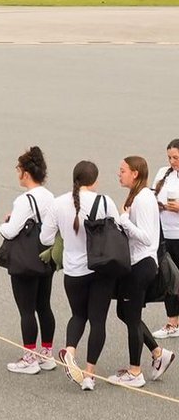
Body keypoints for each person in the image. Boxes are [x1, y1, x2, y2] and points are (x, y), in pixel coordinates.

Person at [40, 161, 120, 393]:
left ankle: (70, 350)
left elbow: (46, 238)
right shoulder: (104, 201)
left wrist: (62, 235)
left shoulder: (58, 203)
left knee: (78, 315)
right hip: (100, 269)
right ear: (95, 181)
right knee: (98, 321)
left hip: (73, 271)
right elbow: (118, 229)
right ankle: (89, 375)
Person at [112, 156, 174, 388]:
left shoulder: (144, 198)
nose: (119, 174)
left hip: (142, 265)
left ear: (135, 173)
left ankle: (135, 371)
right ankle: (159, 353)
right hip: (135, 264)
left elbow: (147, 238)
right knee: (124, 311)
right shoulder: (138, 196)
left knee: (131, 316)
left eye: (123, 170)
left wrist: (124, 220)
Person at [0, 146, 57, 376]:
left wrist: (1, 225)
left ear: (25, 173)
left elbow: (11, 231)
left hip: (25, 260)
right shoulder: (49, 196)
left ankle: (29, 356)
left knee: (26, 309)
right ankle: (47, 353)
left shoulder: (24, 200)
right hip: (45, 257)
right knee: (44, 305)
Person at [151, 139, 179, 339]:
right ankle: (173, 321)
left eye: (176, 157)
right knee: (169, 278)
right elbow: (152, 197)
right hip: (164, 234)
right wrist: (159, 205)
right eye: (169, 157)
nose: (172, 161)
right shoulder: (163, 173)